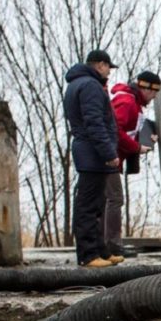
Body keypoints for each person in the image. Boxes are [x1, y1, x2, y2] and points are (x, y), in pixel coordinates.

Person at [62, 49, 119, 268]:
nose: (109, 73)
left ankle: (100, 251)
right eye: (108, 67)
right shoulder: (91, 86)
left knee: (96, 204)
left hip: (88, 151)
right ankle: (88, 254)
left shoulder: (78, 84)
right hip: (92, 153)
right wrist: (108, 152)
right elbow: (95, 122)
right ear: (100, 65)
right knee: (88, 205)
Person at [105, 71, 161, 263]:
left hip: (114, 157)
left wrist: (148, 136)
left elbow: (130, 130)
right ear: (145, 88)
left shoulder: (135, 105)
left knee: (110, 200)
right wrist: (136, 147)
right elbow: (115, 130)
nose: (155, 97)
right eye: (154, 92)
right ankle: (111, 245)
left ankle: (110, 244)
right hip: (108, 158)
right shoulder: (127, 102)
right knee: (114, 200)